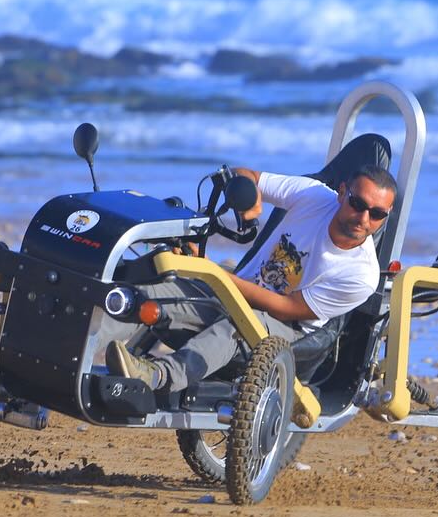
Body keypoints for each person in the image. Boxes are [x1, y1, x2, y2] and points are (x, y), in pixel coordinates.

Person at [104, 165, 396, 392]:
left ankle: (157, 376)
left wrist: (212, 272)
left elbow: (286, 308)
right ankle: (83, 349)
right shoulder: (316, 196)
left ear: (387, 214)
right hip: (238, 291)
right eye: (357, 203)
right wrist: (251, 198)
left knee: (238, 325)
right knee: (147, 292)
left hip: (289, 327)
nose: (364, 218)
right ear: (342, 192)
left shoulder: (361, 275)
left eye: (377, 213)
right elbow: (245, 175)